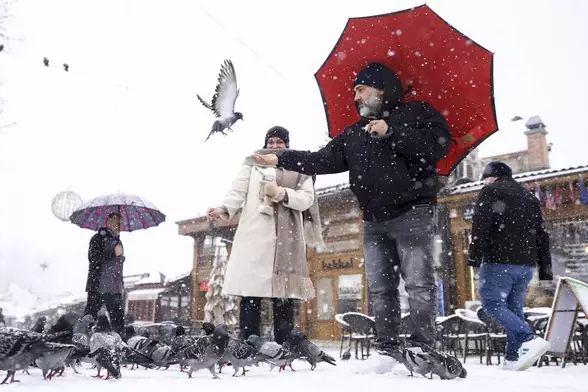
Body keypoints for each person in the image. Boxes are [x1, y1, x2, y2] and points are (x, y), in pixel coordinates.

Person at [251, 63, 458, 375]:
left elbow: (438, 146)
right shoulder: (353, 134)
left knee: (418, 283)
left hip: (413, 212)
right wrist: (281, 158)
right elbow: (321, 159)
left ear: (380, 88)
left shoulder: (416, 113)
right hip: (374, 220)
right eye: (354, 92)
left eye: (360, 89)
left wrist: (392, 133)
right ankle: (387, 350)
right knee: (380, 288)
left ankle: (420, 347)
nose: (356, 97)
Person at [207, 126, 323, 344]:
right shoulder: (252, 164)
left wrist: (281, 193)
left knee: (284, 297)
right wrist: (223, 209)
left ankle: (283, 345)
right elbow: (237, 190)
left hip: (286, 240)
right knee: (251, 295)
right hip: (254, 236)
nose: (275, 146)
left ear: (287, 144)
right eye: (271, 142)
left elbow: (307, 199)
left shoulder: (301, 167)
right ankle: (249, 344)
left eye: (280, 142)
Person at [468, 161, 552, 371]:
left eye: (486, 177)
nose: (485, 181)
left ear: (492, 176)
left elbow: (480, 226)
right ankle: (513, 358)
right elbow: (541, 233)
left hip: (498, 261)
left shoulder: (490, 191)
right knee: (514, 309)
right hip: (525, 265)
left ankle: (529, 338)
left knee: (491, 304)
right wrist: (545, 268)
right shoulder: (530, 197)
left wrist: (474, 258)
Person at [84, 212, 126, 336]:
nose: (117, 225)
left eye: (119, 223)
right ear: (107, 222)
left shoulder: (118, 242)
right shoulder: (97, 238)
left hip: (114, 287)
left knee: (118, 320)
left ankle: (120, 343)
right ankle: (82, 340)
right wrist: (113, 254)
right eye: (114, 222)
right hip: (98, 285)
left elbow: (117, 266)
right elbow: (93, 258)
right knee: (90, 316)